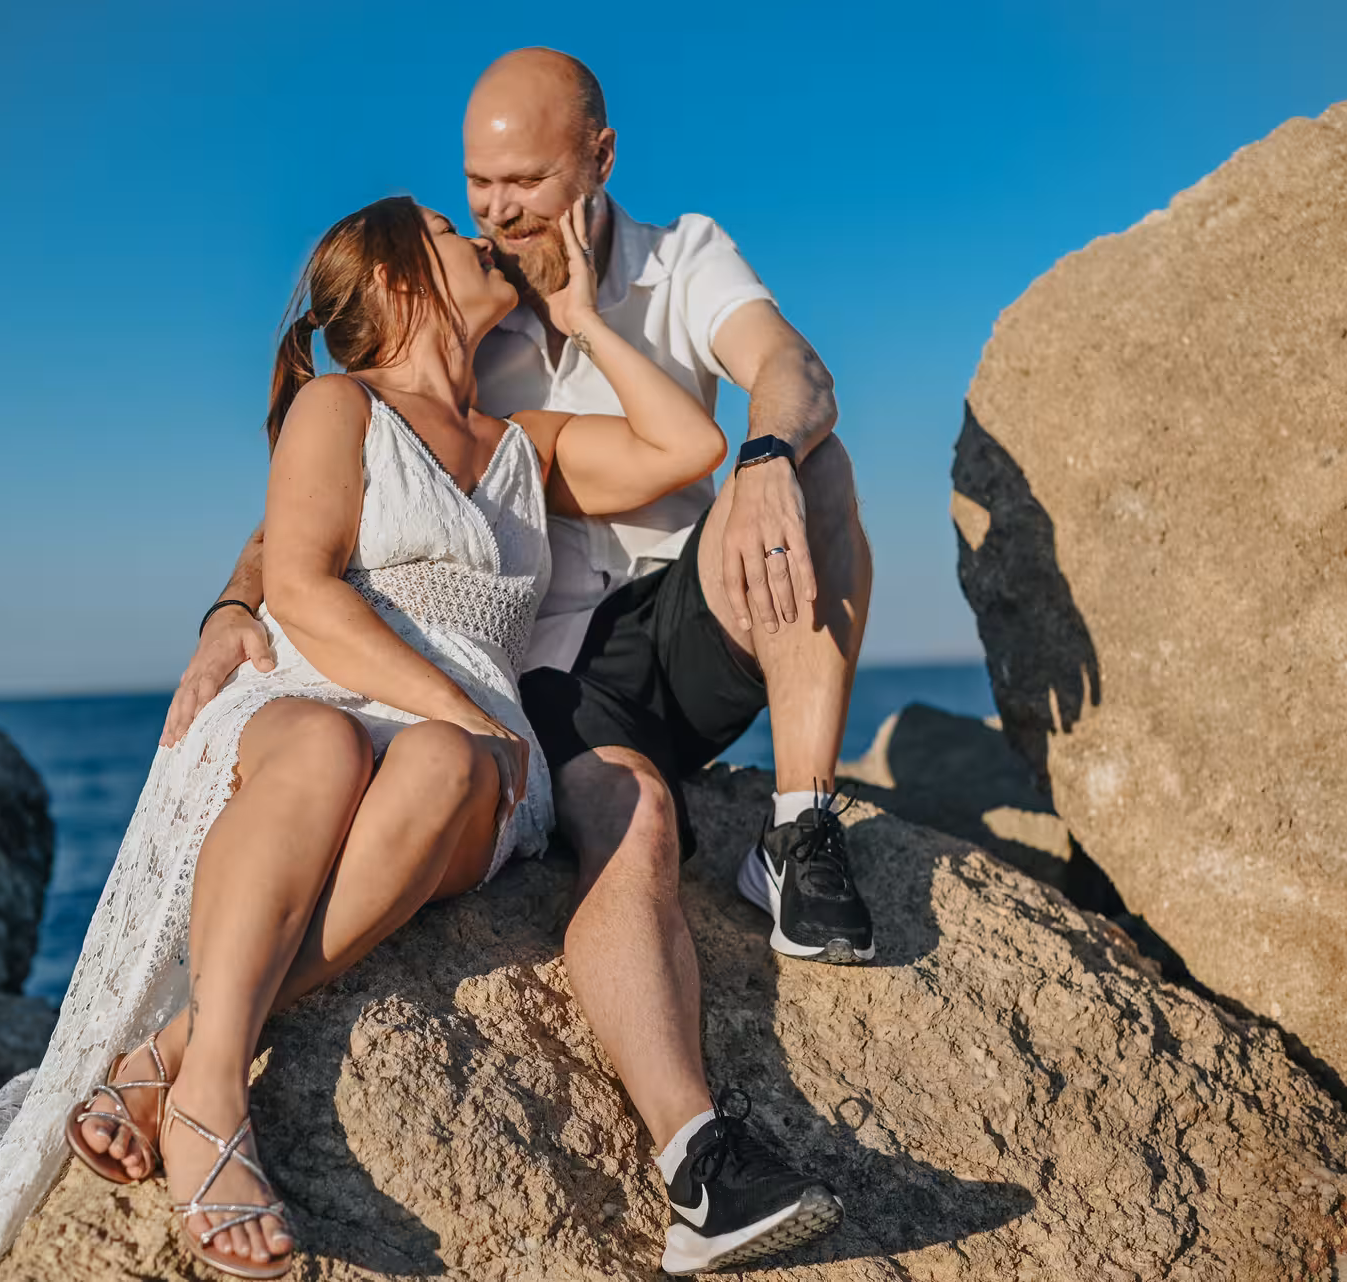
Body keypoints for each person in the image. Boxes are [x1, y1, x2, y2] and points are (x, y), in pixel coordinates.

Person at [0, 196, 737, 1279]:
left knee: (449, 764)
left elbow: (693, 443)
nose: (482, 236)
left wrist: (584, 314)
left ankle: (172, 1051)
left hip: (468, 747)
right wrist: (430, 692)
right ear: (401, 283)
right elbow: (307, 592)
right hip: (320, 685)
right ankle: (214, 1092)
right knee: (325, 745)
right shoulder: (341, 406)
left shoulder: (528, 447)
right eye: (451, 233)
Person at [166, 48, 871, 1274]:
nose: (494, 217)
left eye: (522, 182)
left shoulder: (675, 258)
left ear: (599, 158)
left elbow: (774, 388)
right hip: (545, 680)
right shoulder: (449, 343)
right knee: (635, 810)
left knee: (809, 458)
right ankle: (697, 1158)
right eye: (473, 190)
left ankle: (803, 827)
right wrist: (232, 602)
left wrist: (721, 427)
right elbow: (310, 507)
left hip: (682, 616)